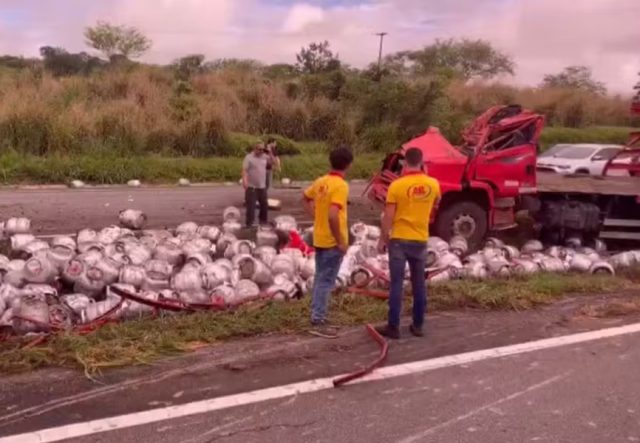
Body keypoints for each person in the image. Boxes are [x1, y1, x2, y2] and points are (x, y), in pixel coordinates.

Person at [376, 147, 441, 339]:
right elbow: (436, 202)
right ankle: (418, 325)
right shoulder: (433, 184)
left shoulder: (397, 185)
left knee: (396, 284)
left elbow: (388, 215)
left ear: (404, 163)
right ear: (422, 162)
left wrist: (383, 237)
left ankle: (393, 327)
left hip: (399, 240)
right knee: (419, 283)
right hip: (420, 239)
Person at [302, 146, 354, 338]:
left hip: (320, 238)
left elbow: (305, 198)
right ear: (349, 164)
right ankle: (318, 319)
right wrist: (341, 241)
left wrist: (316, 217)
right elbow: (333, 215)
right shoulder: (341, 186)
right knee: (325, 281)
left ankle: (317, 314)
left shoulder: (321, 181)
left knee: (320, 278)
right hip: (332, 241)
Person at [242, 143, 269, 227]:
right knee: (251, 207)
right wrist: (245, 181)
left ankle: (263, 222)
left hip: (262, 186)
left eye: (263, 150)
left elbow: (275, 162)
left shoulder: (265, 157)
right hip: (252, 187)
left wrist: (270, 151)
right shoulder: (249, 157)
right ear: (255, 149)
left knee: (264, 206)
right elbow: (244, 170)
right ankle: (249, 224)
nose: (261, 151)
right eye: (259, 149)